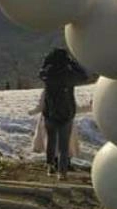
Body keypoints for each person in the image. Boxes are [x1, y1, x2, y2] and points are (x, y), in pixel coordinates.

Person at [37, 48, 89, 180]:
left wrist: (47, 61)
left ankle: (50, 167)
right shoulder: (69, 75)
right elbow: (84, 76)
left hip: (50, 112)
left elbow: (40, 72)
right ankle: (62, 172)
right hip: (66, 112)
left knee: (51, 141)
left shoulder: (48, 74)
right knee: (64, 145)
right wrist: (72, 62)